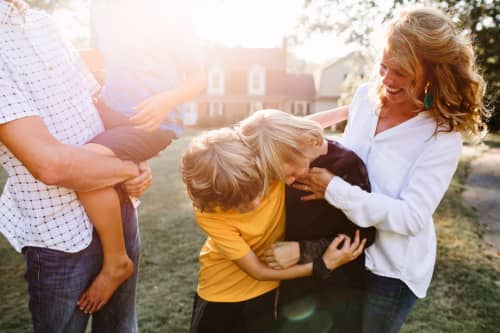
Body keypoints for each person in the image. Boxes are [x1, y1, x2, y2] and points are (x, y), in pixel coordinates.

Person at [288, 6, 490, 332]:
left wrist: (334, 189)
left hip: (391, 269)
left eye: (402, 73)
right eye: (383, 67)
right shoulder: (365, 97)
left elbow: (411, 217)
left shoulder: (441, 136)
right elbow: (346, 159)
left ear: (432, 73)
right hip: (346, 251)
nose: (387, 80)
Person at [0, 0, 151, 331]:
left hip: (119, 206)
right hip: (59, 233)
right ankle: (115, 260)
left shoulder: (43, 23)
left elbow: (96, 96)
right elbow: (51, 165)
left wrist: (133, 158)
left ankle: (117, 260)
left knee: (121, 328)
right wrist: (128, 169)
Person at [73, 0, 206, 313]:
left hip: (155, 121)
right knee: (99, 173)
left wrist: (165, 101)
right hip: (110, 112)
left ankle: (117, 261)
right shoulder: (100, 8)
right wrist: (56, 52)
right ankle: (129, 172)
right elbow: (101, 56)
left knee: (84, 164)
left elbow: (199, 78)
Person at [182, 112, 367, 333]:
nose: (255, 202)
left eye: (255, 190)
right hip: (221, 294)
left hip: (268, 294)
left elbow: (280, 131)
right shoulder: (209, 213)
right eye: (241, 202)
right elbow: (258, 271)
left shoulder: (271, 168)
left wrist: (351, 109)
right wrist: (320, 266)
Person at [263, 138, 376, 332]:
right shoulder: (273, 156)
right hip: (292, 284)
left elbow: (365, 235)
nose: (288, 180)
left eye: (290, 173)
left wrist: (303, 251)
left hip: (340, 285)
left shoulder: (345, 164)